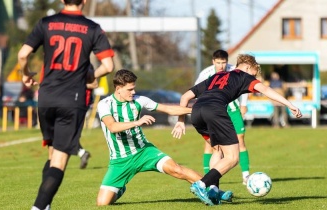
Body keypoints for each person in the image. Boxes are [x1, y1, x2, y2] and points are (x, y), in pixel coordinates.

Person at [17, 1, 114, 209]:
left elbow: (23, 54)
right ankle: (39, 207)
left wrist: (26, 75)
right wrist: (91, 75)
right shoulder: (93, 28)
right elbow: (108, 65)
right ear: (85, 1)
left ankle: (45, 205)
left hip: (46, 97)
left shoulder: (46, 23)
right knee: (60, 160)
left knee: (52, 155)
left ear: (62, 0)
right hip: (72, 99)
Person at [172, 54, 302, 205]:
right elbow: (266, 90)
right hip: (215, 111)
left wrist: (180, 121)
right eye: (254, 74)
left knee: (217, 150)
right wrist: (289, 104)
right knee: (233, 157)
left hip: (196, 112)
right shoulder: (244, 76)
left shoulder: (217, 76)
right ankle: (201, 185)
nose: (253, 78)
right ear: (247, 67)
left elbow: (185, 97)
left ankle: (213, 191)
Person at [95, 69, 232, 206]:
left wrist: (196, 110)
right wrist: (137, 122)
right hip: (120, 160)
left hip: (144, 152)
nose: (134, 92)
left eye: (134, 88)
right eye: (130, 89)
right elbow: (112, 126)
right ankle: (119, 189)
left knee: (177, 170)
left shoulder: (139, 100)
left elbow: (169, 109)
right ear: (118, 89)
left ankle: (215, 191)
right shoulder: (105, 104)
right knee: (103, 203)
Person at [194, 49, 250, 184]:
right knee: (212, 145)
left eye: (223, 62)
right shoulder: (205, 74)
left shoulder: (234, 71)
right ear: (213, 61)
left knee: (240, 140)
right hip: (214, 111)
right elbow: (196, 91)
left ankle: (246, 175)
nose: (221, 66)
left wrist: (244, 105)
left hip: (232, 109)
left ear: (227, 62)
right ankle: (208, 177)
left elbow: (245, 85)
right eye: (218, 62)